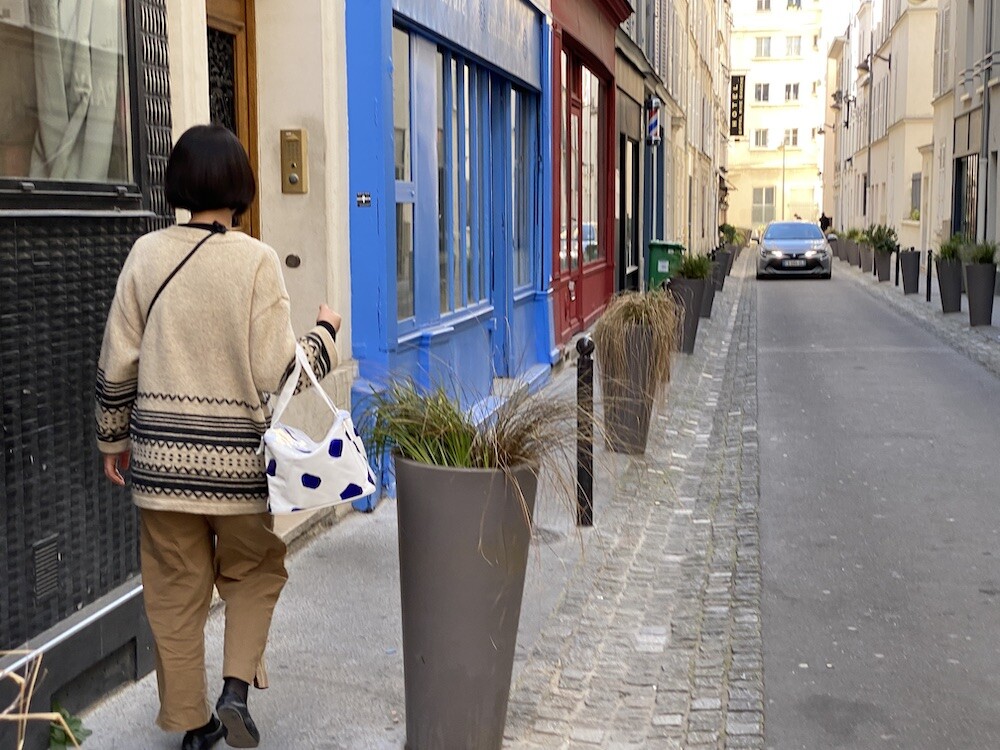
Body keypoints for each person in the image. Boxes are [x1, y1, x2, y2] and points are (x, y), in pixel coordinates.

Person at [95, 124, 341, 750]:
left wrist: (113, 440)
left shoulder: (145, 254)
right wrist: (325, 334)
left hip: (160, 467)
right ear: (241, 186)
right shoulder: (255, 260)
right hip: (238, 471)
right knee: (255, 570)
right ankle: (235, 692)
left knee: (174, 593)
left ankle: (193, 725)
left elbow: (117, 361)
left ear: (177, 184)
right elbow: (280, 373)